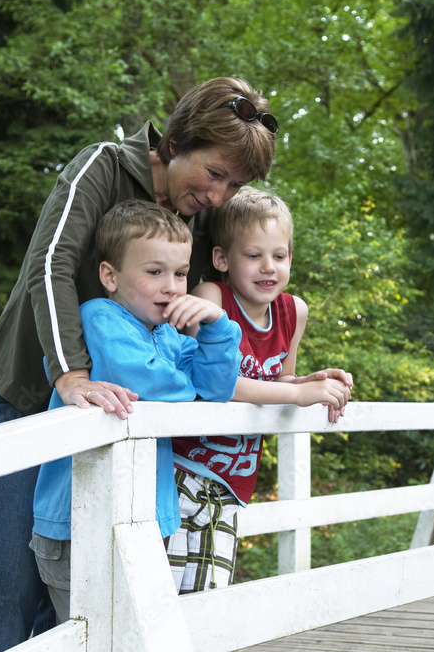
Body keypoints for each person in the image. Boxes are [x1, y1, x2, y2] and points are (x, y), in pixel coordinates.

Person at [0, 77, 276, 651]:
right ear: (176, 141)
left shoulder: (199, 215)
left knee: (77, 598)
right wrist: (71, 375)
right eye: (215, 174)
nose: (221, 195)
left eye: (236, 184)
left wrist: (288, 377)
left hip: (114, 420)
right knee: (11, 584)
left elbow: (215, 305)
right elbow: (51, 263)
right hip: (33, 391)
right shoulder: (101, 166)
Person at [30, 199, 242, 621]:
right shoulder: (99, 317)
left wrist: (218, 325)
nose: (172, 286)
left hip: (144, 520)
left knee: (135, 634)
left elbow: (217, 388)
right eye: (154, 272)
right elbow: (150, 384)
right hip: (79, 525)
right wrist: (191, 385)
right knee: (91, 638)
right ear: (109, 275)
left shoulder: (168, 335)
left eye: (181, 274)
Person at [167, 187, 354, 593]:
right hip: (180, 471)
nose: (268, 267)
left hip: (235, 482)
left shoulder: (293, 312)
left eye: (280, 255)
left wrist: (307, 383)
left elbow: (279, 380)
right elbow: (214, 384)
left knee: (209, 595)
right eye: (253, 256)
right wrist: (296, 395)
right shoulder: (211, 299)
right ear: (221, 259)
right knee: (161, 591)